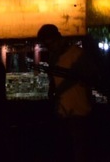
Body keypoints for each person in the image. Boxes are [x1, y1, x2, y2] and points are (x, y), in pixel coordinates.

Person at [37, 23, 98, 162]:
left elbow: (92, 75)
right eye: (47, 45)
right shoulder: (54, 57)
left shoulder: (77, 53)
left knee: (80, 152)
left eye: (51, 43)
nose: (50, 47)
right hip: (62, 111)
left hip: (79, 111)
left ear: (58, 39)